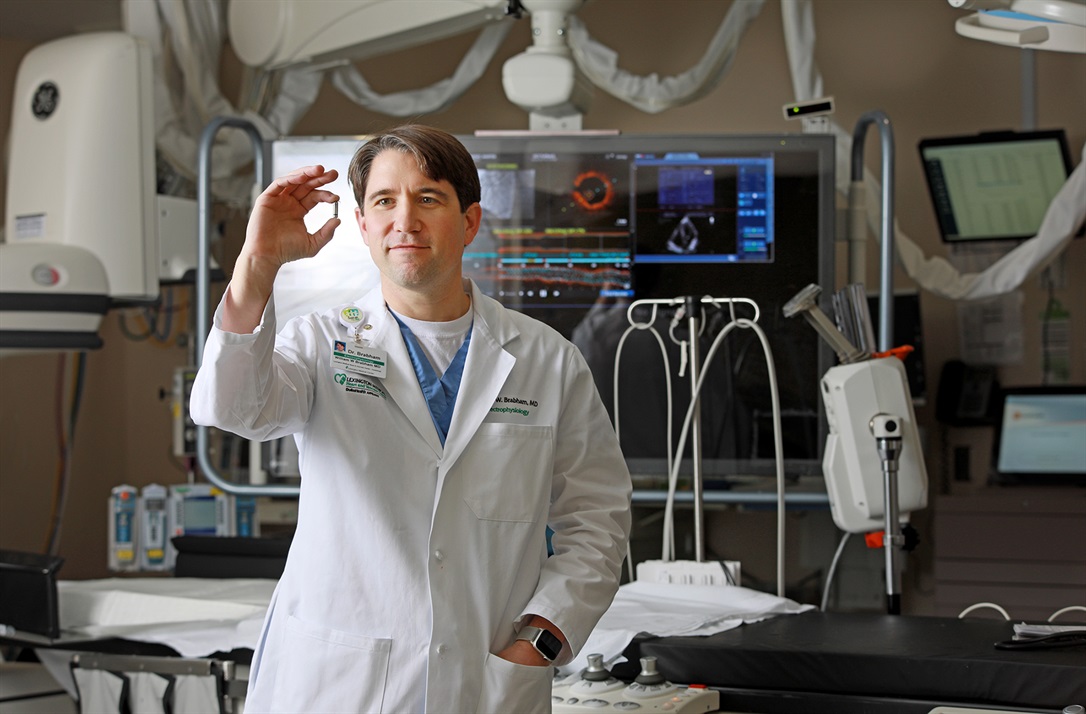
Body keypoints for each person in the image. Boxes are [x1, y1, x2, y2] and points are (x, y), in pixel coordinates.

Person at [189, 124, 632, 713]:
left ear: (470, 222)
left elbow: (596, 517)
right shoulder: (320, 343)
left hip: (486, 678)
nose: (406, 220)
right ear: (365, 226)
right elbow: (229, 407)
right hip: (337, 683)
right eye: (384, 201)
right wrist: (258, 263)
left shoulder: (547, 360)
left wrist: (541, 639)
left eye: (428, 198)